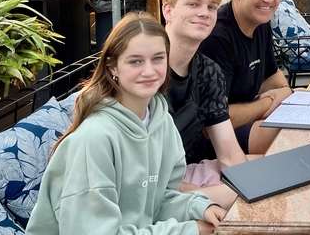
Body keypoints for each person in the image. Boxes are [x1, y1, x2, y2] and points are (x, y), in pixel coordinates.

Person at [27, 12, 227, 235]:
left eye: (158, 58)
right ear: (113, 67)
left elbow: (159, 199)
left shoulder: (162, 121)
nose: (149, 71)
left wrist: (199, 207)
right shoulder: (94, 138)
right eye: (135, 61)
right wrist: (190, 230)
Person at [162, 0, 248, 209]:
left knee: (271, 179)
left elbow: (228, 152)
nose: (204, 13)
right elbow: (141, 176)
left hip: (184, 174)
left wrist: (249, 186)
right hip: (146, 186)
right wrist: (206, 195)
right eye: (193, 4)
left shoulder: (208, 71)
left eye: (211, 7)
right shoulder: (147, 73)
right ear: (168, 11)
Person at [198, 0, 293, 155]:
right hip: (213, 140)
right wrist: (269, 101)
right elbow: (216, 120)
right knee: (291, 135)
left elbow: (275, 80)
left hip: (242, 122)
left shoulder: (261, 23)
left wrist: (285, 93)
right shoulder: (217, 36)